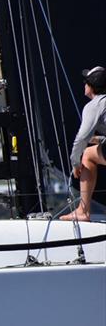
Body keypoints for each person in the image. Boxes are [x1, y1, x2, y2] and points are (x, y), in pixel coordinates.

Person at [61, 66, 106, 222]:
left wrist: (75, 162)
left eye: (85, 82)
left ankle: (83, 211)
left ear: (91, 86)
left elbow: (81, 138)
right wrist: (98, 140)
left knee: (87, 155)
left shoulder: (94, 105)